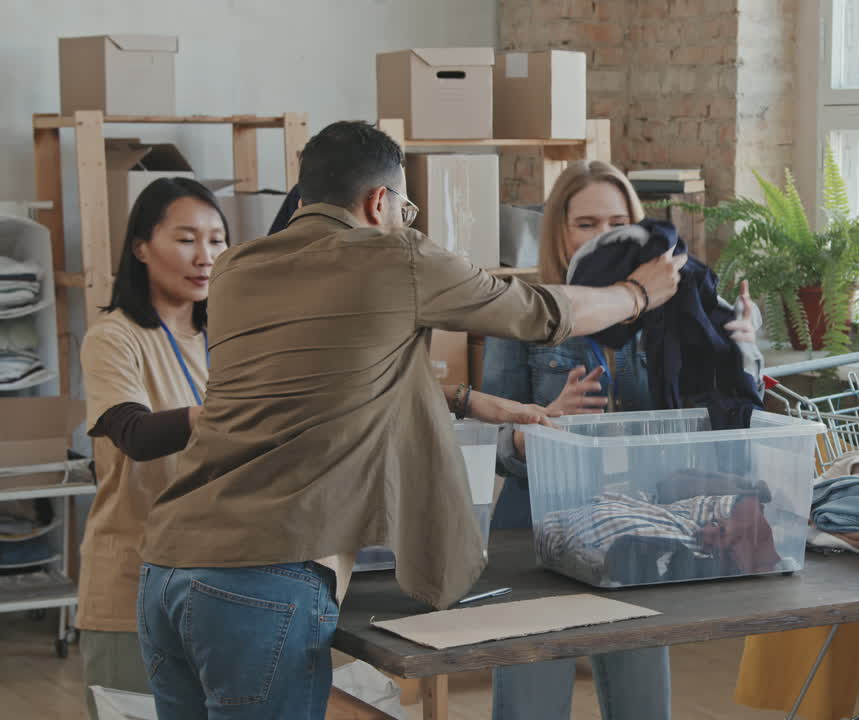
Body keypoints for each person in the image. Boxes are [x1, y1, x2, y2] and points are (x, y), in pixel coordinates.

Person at [133, 121, 686, 720]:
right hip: (264, 572)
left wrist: (466, 398)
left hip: (168, 565)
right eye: (406, 206)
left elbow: (322, 377)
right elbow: (542, 312)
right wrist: (637, 293)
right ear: (379, 201)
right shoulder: (397, 255)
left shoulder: (238, 269)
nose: (406, 218)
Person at [481, 160, 762, 720]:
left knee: (643, 708)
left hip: (638, 529)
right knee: (531, 707)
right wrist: (537, 424)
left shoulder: (675, 314)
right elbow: (489, 445)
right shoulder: (521, 312)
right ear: (558, 232)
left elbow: (717, 419)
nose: (605, 236)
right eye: (586, 223)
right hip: (535, 537)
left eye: (617, 221)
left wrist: (744, 346)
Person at [76, 178, 229, 719]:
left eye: (216, 240)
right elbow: (135, 435)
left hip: (223, 582)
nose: (205, 256)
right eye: (187, 239)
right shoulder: (114, 337)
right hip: (132, 586)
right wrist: (236, 415)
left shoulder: (232, 335)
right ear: (141, 247)